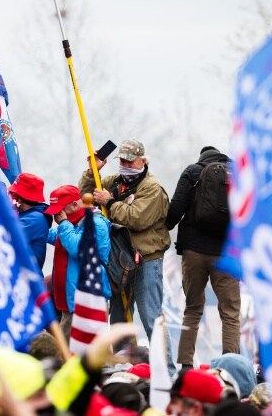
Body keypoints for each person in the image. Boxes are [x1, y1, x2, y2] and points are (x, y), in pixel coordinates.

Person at [80, 139, 174, 374]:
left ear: (142, 160)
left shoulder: (152, 188)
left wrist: (110, 203)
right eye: (121, 160)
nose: (125, 165)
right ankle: (122, 367)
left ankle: (168, 371)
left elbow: (137, 218)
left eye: (129, 161)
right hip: (121, 261)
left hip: (147, 260)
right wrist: (93, 172)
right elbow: (86, 195)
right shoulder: (114, 182)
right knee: (120, 318)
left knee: (150, 315)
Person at [166, 146, 240, 369]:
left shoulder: (192, 172)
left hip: (194, 252)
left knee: (192, 308)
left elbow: (175, 211)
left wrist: (166, 227)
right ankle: (230, 368)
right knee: (230, 313)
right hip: (225, 255)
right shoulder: (238, 175)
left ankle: (186, 366)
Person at [45, 185, 111, 341]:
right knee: (67, 351)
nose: (57, 217)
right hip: (71, 300)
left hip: (88, 300)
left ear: (74, 205)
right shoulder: (72, 223)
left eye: (59, 211)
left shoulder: (95, 223)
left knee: (94, 351)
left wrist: (64, 224)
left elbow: (77, 247)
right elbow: (57, 236)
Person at [8, 172, 52, 274]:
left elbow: (7, 236)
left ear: (21, 198)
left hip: (27, 283)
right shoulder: (26, 214)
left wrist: (8, 209)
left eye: (15, 195)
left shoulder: (34, 219)